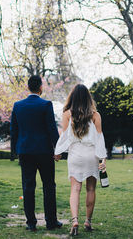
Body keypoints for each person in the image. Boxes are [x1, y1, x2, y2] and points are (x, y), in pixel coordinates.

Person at [10, 75, 62, 232]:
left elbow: (14, 130)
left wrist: (14, 151)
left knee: (28, 187)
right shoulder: (46, 104)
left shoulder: (18, 106)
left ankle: (31, 223)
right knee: (49, 186)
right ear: (41, 87)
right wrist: (58, 149)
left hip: (25, 152)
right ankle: (51, 222)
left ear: (28, 88)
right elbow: (51, 128)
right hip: (44, 151)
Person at [54, 84, 107, 236]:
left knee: (75, 189)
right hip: (92, 155)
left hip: (75, 155)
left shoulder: (67, 114)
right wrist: (103, 159)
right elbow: (99, 139)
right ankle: (88, 221)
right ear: (88, 98)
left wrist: (57, 152)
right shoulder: (96, 115)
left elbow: (64, 137)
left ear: (73, 97)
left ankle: (75, 220)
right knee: (91, 189)